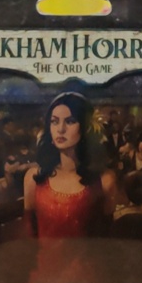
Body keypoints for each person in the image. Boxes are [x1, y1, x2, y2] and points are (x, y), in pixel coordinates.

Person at [22, 93, 112, 239]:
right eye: (54, 121)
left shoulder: (104, 180)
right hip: (44, 254)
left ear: (85, 127)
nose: (61, 129)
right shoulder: (34, 178)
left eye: (70, 121)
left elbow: (107, 239)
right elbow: (29, 235)